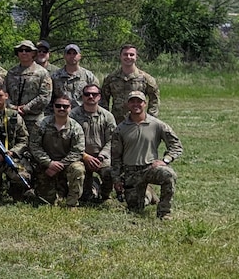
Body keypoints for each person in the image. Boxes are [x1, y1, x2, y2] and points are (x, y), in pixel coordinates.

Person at [111, 91, 182, 219]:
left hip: (150, 168)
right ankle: (149, 194)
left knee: (168, 175)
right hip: (131, 172)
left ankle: (164, 212)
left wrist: (166, 160)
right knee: (135, 208)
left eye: (139, 101)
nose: (136, 104)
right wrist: (117, 179)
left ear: (145, 104)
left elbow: (176, 145)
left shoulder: (157, 125)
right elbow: (115, 157)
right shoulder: (120, 129)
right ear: (128, 104)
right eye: (132, 101)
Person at [30, 94, 87, 206]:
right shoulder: (41, 124)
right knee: (46, 201)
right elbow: (34, 146)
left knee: (78, 169)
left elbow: (78, 151)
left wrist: (60, 165)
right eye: (58, 105)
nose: (61, 108)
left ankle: (72, 204)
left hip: (66, 165)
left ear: (70, 108)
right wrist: (49, 163)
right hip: (45, 165)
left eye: (65, 106)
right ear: (53, 107)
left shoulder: (76, 127)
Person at [70, 84, 116, 203]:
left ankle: (105, 195)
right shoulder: (73, 115)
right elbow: (70, 141)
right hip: (80, 156)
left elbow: (112, 140)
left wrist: (101, 156)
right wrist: (85, 156)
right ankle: (90, 186)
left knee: (110, 172)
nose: (91, 96)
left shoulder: (107, 116)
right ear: (83, 97)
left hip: (101, 157)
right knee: (85, 197)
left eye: (94, 94)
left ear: (99, 97)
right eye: (87, 94)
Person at [6, 40, 53, 136]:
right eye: (21, 50)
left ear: (33, 53)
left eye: (27, 50)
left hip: (34, 120)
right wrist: (12, 107)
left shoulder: (42, 73)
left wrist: (26, 108)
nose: (23, 53)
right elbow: (4, 93)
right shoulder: (11, 73)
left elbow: (45, 96)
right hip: (13, 118)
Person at [102, 45, 161, 122]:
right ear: (120, 57)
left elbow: (154, 99)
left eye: (132, 55)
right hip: (117, 122)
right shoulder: (111, 78)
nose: (128, 57)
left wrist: (150, 119)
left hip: (138, 121)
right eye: (125, 54)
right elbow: (103, 100)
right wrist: (106, 119)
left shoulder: (145, 78)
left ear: (136, 57)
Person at [50, 44, 98, 114]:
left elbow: (96, 98)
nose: (72, 56)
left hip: (83, 116)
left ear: (80, 56)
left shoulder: (89, 76)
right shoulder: (55, 76)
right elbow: (50, 100)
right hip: (61, 114)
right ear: (64, 56)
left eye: (74, 53)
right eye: (69, 53)